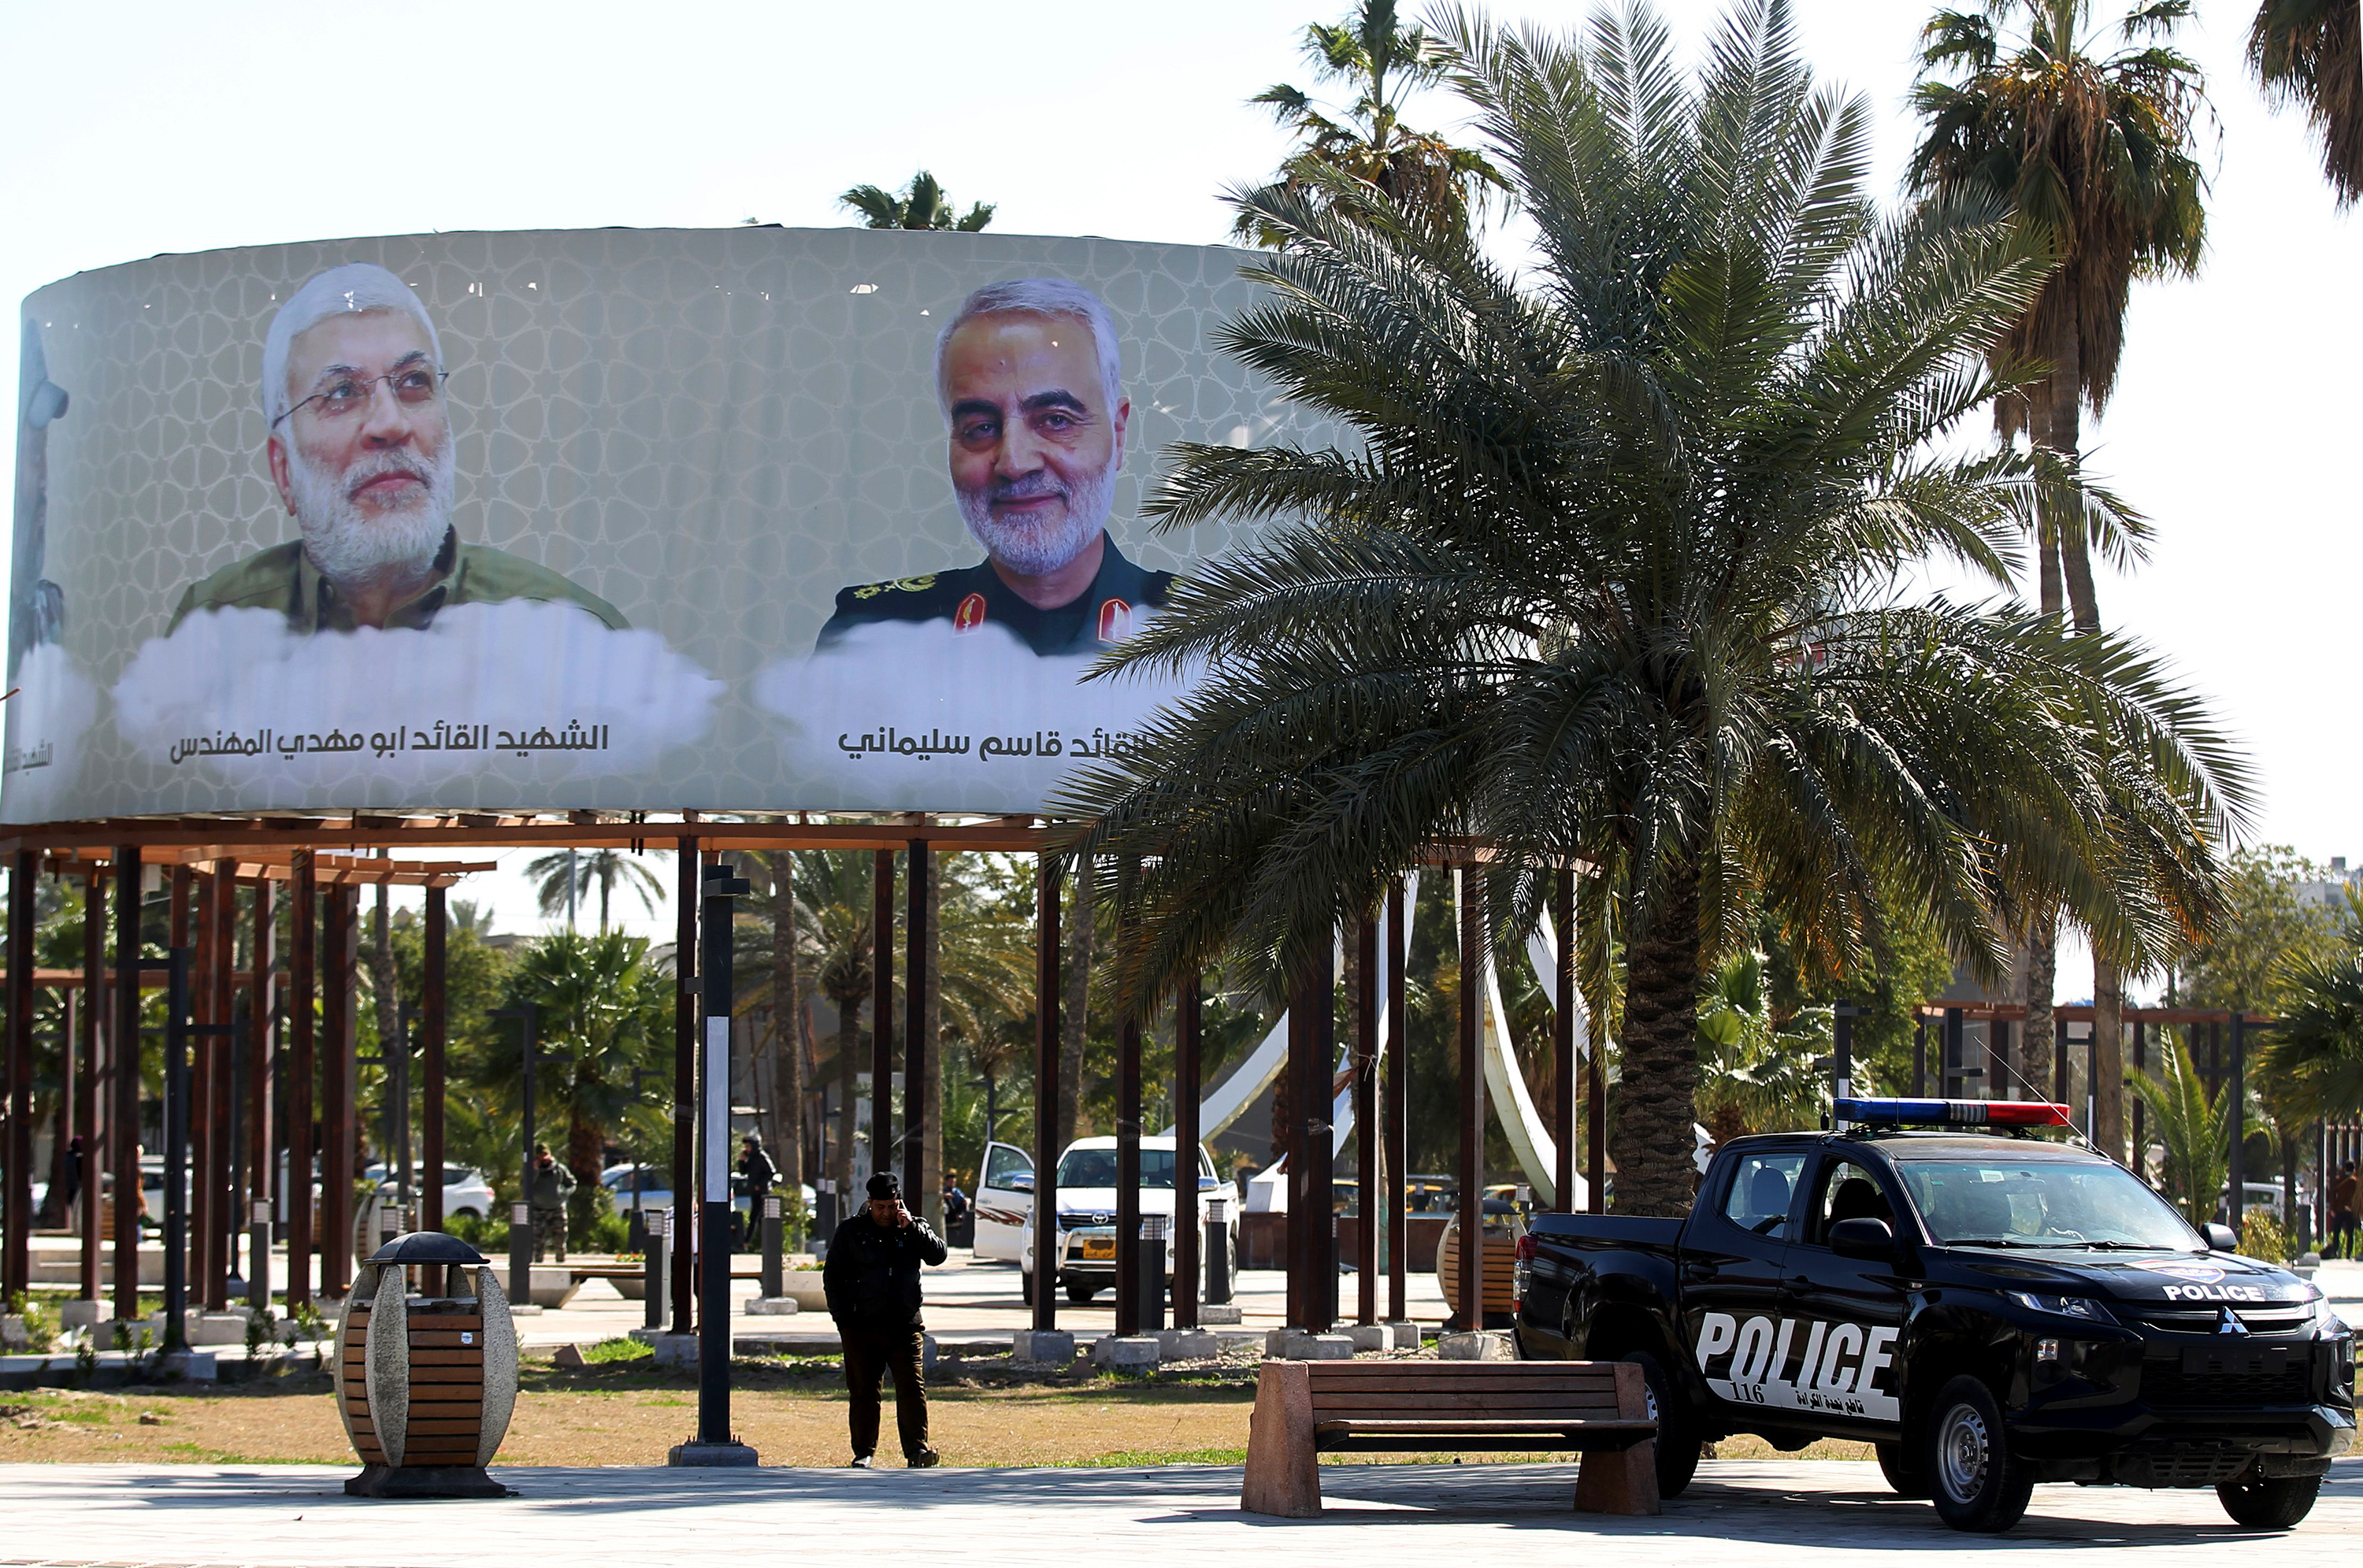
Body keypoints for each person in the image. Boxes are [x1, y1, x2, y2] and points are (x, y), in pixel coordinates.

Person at [170, 262, 627, 635]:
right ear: (284, 469)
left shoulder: (574, 634)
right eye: (341, 392)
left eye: (414, 382)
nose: (390, 423)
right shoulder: (212, 626)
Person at [814, 277, 1174, 656]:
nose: (1014, 463)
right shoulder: (871, 637)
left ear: (1117, 437)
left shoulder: (1210, 636)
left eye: (1055, 420)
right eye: (981, 428)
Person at [821, 1170, 947, 1468]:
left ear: (899, 1202)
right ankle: (864, 1451)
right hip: (861, 1326)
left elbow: (938, 1256)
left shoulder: (913, 1228)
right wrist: (842, 1320)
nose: (887, 1213)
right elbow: (833, 1276)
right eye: (881, 1207)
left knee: (912, 1388)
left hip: (904, 1325)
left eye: (892, 1206)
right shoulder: (851, 1231)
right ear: (870, 1203)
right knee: (864, 1390)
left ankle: (917, 1450)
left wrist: (913, 1227)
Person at [528, 1144, 576, 1263]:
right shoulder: (533, 1169)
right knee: (538, 1240)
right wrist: (534, 1171)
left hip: (557, 1208)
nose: (543, 1158)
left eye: (545, 1155)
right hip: (538, 1209)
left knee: (560, 1238)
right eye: (540, 1156)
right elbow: (525, 1186)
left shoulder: (559, 1169)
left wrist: (564, 1194)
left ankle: (561, 1261)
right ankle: (538, 1262)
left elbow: (572, 1183)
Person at [734, 1132, 781, 1249]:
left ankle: (746, 1242)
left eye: (748, 1147)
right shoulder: (751, 1158)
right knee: (760, 1219)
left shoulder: (762, 1157)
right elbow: (744, 1172)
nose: (747, 1149)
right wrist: (741, 1161)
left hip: (762, 1192)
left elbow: (771, 1172)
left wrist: (759, 1184)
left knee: (754, 1216)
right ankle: (766, 1244)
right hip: (754, 1193)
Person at [2330, 1160, 2358, 1260]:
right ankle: (2348, 1254)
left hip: (2339, 1209)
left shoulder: (2339, 1180)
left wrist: (2332, 1208)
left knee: (2336, 1232)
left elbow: (2334, 1195)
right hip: (2350, 1211)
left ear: (2345, 1169)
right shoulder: (2355, 1182)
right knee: (2350, 1233)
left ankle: (2335, 1251)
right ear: (2354, 1170)